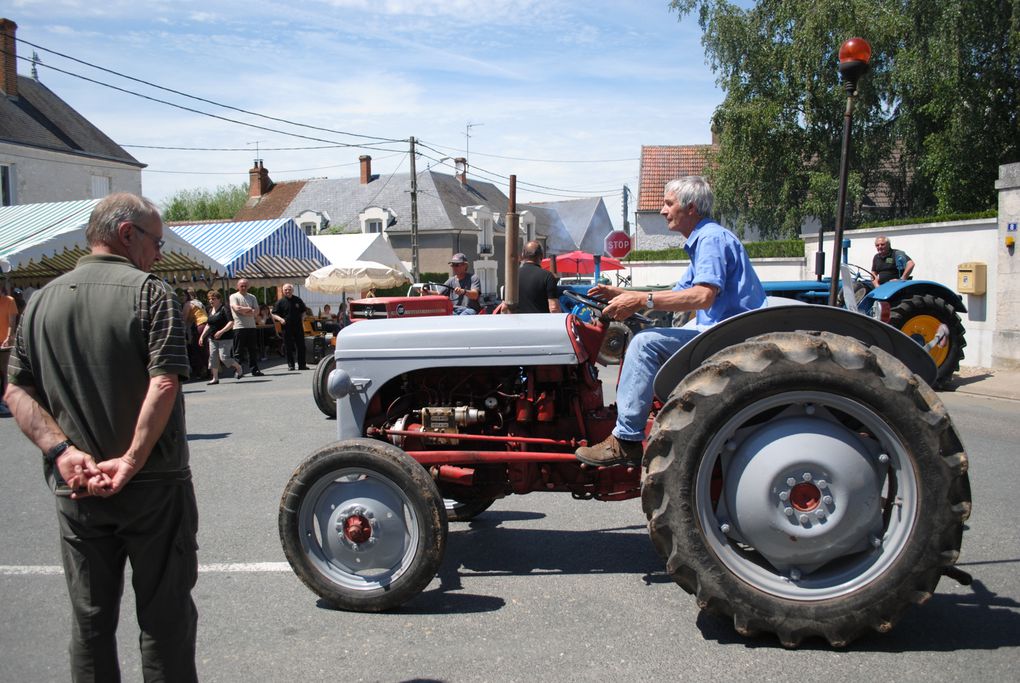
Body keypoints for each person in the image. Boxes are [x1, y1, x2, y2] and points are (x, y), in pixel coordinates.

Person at [3, 193, 199, 681]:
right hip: (153, 484)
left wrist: (62, 452)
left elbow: (15, 390)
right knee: (165, 619)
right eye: (156, 240)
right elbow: (165, 381)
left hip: (78, 487)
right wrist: (131, 459)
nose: (159, 251)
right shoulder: (152, 293)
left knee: (90, 623)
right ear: (127, 233)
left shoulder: (39, 302)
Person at [575, 176, 766, 466]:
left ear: (690, 207)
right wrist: (622, 292)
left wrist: (640, 300)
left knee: (644, 344)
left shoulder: (711, 239)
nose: (663, 211)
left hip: (727, 337)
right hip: (723, 332)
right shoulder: (704, 239)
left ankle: (625, 439)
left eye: (668, 203)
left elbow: (702, 297)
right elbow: (678, 294)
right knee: (655, 336)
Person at [495, 241, 562, 314]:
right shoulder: (547, 276)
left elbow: (504, 308)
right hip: (540, 324)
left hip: (517, 324)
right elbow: (554, 308)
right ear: (541, 256)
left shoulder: (511, 278)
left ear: (523, 255)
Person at [199, 289, 243, 384]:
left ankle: (238, 367)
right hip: (212, 338)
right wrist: (202, 336)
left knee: (224, 357)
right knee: (213, 357)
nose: (211, 301)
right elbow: (208, 324)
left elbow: (231, 322)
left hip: (225, 338)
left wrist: (221, 331)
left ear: (219, 299)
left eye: (213, 299)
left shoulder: (225, 308)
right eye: (209, 299)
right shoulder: (210, 310)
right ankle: (215, 378)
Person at [229, 278, 263, 376]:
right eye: (241, 286)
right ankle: (238, 370)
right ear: (237, 286)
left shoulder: (252, 297)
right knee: (238, 351)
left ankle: (254, 369)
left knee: (252, 350)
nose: (243, 287)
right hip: (239, 327)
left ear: (248, 286)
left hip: (251, 327)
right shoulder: (234, 296)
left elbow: (256, 312)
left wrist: (244, 312)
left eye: (245, 286)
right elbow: (236, 308)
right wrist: (249, 309)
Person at [271, 283, 309, 371]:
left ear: (292, 290)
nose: (287, 291)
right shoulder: (280, 302)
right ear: (283, 291)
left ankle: (302, 365)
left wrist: (302, 319)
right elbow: (273, 314)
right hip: (286, 327)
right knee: (288, 346)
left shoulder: (298, 300)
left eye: (289, 289)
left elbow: (303, 311)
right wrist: (280, 319)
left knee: (301, 346)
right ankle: (291, 365)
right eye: (285, 290)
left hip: (298, 326)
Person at [182, 287, 209, 379]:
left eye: (183, 295)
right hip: (206, 325)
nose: (182, 298)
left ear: (187, 296)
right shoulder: (198, 302)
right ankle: (210, 370)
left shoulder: (188, 304)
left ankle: (202, 371)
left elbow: (183, 319)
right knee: (205, 349)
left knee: (197, 349)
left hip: (199, 326)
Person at [0, 283, 18, 417]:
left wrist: (9, 337)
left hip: (5, 342)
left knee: (6, 370)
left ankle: (7, 400)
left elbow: (12, 322)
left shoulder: (9, 301)